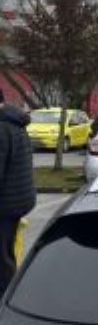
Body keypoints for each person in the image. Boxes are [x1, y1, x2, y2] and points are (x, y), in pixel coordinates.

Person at [0, 91, 36, 287]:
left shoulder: (2, 128)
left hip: (5, 204)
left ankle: (5, 296)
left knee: (2, 259)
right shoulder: (14, 123)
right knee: (6, 251)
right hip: (17, 200)